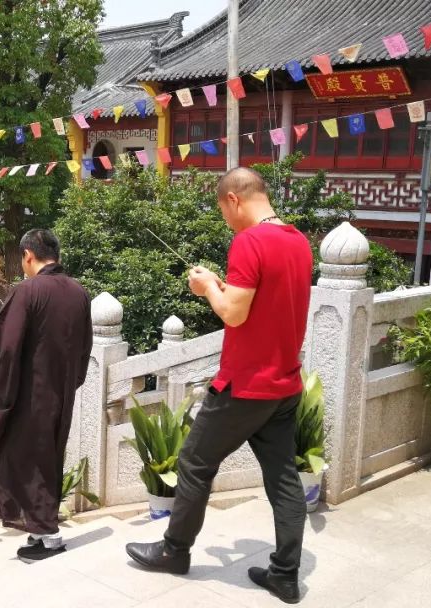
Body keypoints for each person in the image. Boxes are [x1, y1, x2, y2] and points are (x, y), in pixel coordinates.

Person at [125, 167, 312, 604]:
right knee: (284, 478)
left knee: (194, 462)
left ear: (233, 199)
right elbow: (260, 302)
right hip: (284, 383)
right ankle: (285, 574)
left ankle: (174, 551)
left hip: (245, 385)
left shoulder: (249, 241)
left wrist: (208, 286)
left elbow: (233, 314)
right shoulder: (298, 241)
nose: (226, 220)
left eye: (222, 210)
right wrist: (224, 287)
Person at [0, 229, 92, 562]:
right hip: (61, 393)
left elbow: (7, 347)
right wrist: (70, 382)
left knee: (26, 460)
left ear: (28, 256)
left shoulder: (28, 291)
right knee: (46, 459)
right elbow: (85, 346)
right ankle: (39, 530)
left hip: (30, 394)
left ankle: (49, 533)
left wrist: (5, 382)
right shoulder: (79, 292)